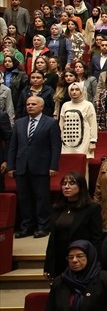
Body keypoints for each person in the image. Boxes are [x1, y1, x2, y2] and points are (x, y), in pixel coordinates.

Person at [4, 95, 60, 238]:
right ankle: (26, 226)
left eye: (33, 104)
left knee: (42, 198)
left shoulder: (51, 123)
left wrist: (53, 166)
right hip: (21, 167)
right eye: (28, 104)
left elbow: (55, 146)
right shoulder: (19, 123)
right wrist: (11, 166)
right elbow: (13, 146)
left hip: (41, 166)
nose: (30, 106)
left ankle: (43, 226)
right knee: (24, 198)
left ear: (41, 106)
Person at [43, 171, 101, 280]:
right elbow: (52, 240)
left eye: (71, 183)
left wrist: (92, 262)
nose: (66, 187)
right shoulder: (58, 208)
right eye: (64, 184)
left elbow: (96, 239)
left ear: (81, 186)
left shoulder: (92, 208)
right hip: (60, 259)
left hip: (80, 260)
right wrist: (48, 266)